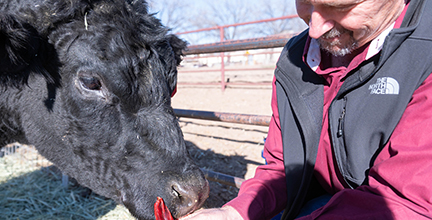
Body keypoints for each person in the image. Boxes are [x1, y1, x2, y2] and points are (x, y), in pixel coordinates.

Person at [181, 0, 432, 219]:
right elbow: (283, 167)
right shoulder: (295, 59)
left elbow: (407, 202)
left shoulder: (425, 53)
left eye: (338, 6)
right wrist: (234, 213)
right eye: (304, 1)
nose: (314, 29)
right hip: (326, 202)